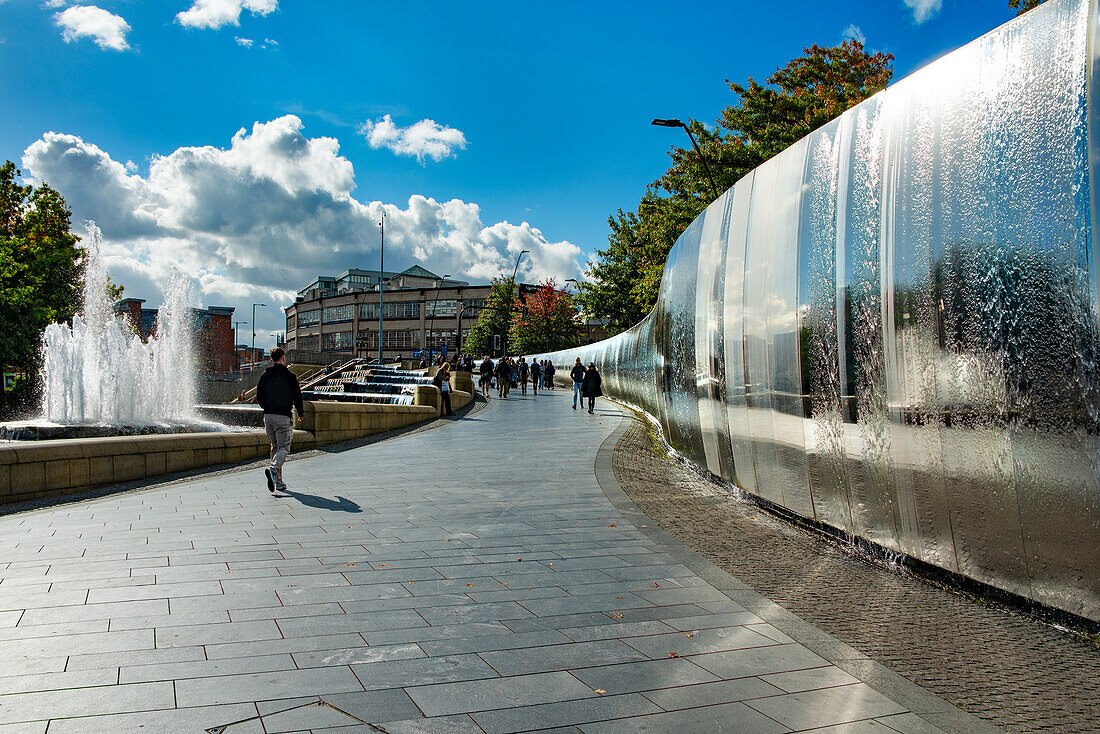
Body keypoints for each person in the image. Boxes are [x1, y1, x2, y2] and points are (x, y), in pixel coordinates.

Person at [256, 347, 304, 494]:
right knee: (284, 448)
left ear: (271, 359)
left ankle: (278, 482)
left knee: (275, 446)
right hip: (283, 416)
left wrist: (267, 407)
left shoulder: (265, 375)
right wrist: (300, 412)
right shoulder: (290, 376)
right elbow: (297, 396)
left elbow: (259, 394)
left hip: (268, 416)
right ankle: (273, 469)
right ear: (283, 357)